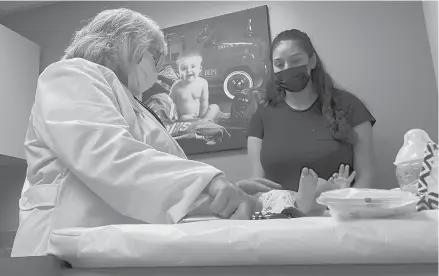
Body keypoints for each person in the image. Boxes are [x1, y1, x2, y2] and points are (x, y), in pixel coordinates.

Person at [11, 8, 279, 257]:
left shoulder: (133, 104)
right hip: (57, 251)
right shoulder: (70, 75)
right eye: (155, 57)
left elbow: (158, 182)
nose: (158, 68)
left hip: (108, 248)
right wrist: (210, 184)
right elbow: (110, 157)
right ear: (129, 44)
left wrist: (221, 192)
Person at [247, 29, 376, 192]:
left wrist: (345, 206)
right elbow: (258, 183)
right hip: (281, 213)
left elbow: (366, 176)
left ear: (312, 61)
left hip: (337, 213)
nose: (287, 68)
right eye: (279, 64)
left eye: (295, 61)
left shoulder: (350, 106)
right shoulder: (262, 115)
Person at [170, 50, 220, 122]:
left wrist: (202, 116)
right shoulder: (176, 87)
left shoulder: (203, 83)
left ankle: (205, 122)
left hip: (200, 117)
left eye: (193, 66)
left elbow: (204, 101)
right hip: (185, 118)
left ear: (200, 69)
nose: (189, 70)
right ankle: (203, 124)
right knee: (184, 118)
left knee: (215, 107)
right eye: (184, 68)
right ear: (178, 73)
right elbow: (170, 105)